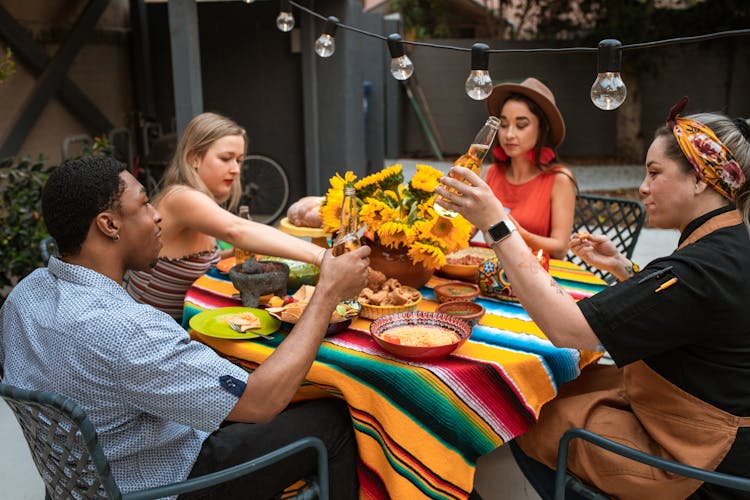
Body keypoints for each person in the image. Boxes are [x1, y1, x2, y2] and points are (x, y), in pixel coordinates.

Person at [0, 156, 371, 499]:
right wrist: (327, 293)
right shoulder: (127, 330)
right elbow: (262, 402)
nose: (156, 215)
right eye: (144, 204)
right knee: (332, 419)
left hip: (85, 482)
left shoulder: (24, 295)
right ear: (109, 224)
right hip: (165, 484)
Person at [435, 98, 750, 499]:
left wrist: (496, 224)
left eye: (654, 172)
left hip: (693, 460)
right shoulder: (731, 244)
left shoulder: (702, 267)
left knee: (503, 419)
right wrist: (626, 272)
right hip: (692, 426)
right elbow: (687, 312)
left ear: (702, 179)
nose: (643, 187)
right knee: (550, 389)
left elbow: (567, 329)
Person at [126, 112, 327, 321]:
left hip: (179, 320)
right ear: (193, 158)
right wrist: (321, 256)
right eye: (225, 158)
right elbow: (236, 230)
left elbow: (193, 262)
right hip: (150, 328)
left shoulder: (200, 199)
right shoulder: (181, 197)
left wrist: (233, 253)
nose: (236, 169)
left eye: (239, 160)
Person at [482, 77, 577, 259]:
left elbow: (560, 247)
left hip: (539, 274)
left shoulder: (559, 179)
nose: (509, 134)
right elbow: (465, 229)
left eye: (521, 125)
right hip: (491, 271)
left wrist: (519, 234)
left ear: (543, 129)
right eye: (503, 124)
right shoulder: (491, 173)